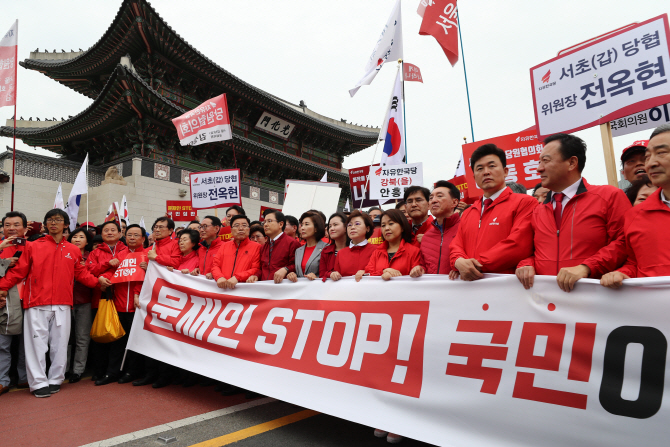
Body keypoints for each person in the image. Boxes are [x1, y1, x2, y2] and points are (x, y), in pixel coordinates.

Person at [0, 209, 109, 398]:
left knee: (59, 344)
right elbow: (19, 271)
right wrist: (3, 287)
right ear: (46, 224)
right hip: (36, 303)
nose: (53, 223)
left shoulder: (73, 250)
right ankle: (38, 383)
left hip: (63, 303)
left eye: (58, 220)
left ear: (66, 224)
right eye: (50, 220)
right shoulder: (33, 246)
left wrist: (97, 283)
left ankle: (55, 379)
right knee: (36, 346)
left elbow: (81, 274)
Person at [515, 133, 631, 292]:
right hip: (547, 304)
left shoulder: (609, 197)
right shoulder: (538, 210)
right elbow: (533, 252)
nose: (539, 168)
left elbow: (624, 242)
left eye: (546, 161)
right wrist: (527, 264)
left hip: (595, 300)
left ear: (572, 162)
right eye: (539, 162)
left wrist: (587, 267)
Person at [450, 144, 538, 280]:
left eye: (492, 166)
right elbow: (456, 245)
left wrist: (474, 266)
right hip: (469, 288)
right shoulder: (469, 211)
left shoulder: (525, 202)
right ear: (474, 177)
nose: (486, 172)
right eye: (480, 168)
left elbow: (518, 245)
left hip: (504, 285)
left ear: (505, 171)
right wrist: (457, 261)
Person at [601, 124, 670, 286]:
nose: (651, 163)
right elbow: (635, 263)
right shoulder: (635, 215)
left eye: (661, 153)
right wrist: (623, 273)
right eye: (648, 157)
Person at [87, 221, 133, 386]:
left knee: (118, 337)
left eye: (113, 230)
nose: (110, 232)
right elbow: (89, 271)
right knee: (100, 336)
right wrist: (107, 264)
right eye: (106, 230)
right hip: (100, 299)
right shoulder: (95, 252)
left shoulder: (127, 250)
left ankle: (113, 371)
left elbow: (129, 270)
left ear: (120, 233)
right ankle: (99, 370)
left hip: (120, 299)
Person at [0, 211, 29, 393]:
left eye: (16, 225)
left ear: (25, 228)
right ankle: (2, 379)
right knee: (3, 343)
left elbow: (21, 270)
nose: (11, 229)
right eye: (8, 225)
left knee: (28, 344)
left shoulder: (32, 246)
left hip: (28, 300)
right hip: (5, 302)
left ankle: (24, 377)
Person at [356, 209, 425, 282]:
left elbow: (417, 277)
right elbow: (369, 274)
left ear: (402, 227)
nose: (386, 228)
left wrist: (398, 276)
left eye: (391, 223)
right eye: (383, 225)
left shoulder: (414, 251)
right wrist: (384, 272)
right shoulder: (376, 252)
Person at [66, 228, 93, 384]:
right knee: (65, 338)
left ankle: (78, 370)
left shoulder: (91, 257)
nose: (77, 239)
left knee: (82, 337)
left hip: (84, 300)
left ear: (87, 242)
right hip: (65, 301)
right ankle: (63, 369)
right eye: (74, 236)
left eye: (81, 237)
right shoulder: (65, 255)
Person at [248, 211, 300, 283]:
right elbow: (263, 268)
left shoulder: (292, 243)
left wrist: (286, 269)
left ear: (281, 224)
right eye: (264, 222)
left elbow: (297, 265)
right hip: (265, 287)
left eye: (269, 221)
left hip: (282, 286)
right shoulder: (264, 247)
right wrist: (256, 276)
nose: (265, 225)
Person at [421, 181, 461, 275]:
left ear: (454, 202)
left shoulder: (465, 228)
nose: (433, 200)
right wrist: (419, 269)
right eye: (431, 198)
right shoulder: (426, 237)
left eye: (439, 196)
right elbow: (424, 265)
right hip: (434, 288)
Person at [212, 215, 261, 290]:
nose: (241, 228)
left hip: (243, 291)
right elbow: (215, 265)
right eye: (237, 225)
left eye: (244, 225)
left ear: (248, 229)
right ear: (231, 230)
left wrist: (238, 277)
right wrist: (219, 277)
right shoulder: (224, 246)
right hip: (223, 290)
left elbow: (256, 269)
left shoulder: (257, 247)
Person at [331, 210, 377, 281]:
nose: (352, 227)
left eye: (357, 224)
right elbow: (337, 275)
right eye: (349, 225)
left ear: (367, 228)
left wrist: (367, 272)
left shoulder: (376, 250)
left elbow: (381, 272)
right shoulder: (341, 253)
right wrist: (334, 274)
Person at [288, 213, 327, 282]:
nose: (302, 228)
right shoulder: (298, 250)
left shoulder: (326, 248)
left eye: (306, 224)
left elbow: (329, 273)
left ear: (316, 228)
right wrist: (292, 275)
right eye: (302, 225)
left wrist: (317, 278)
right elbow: (299, 273)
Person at [319, 213, 348, 280]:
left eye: (335, 225)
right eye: (330, 226)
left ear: (346, 227)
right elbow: (322, 274)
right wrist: (330, 274)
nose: (331, 229)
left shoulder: (355, 249)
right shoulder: (326, 251)